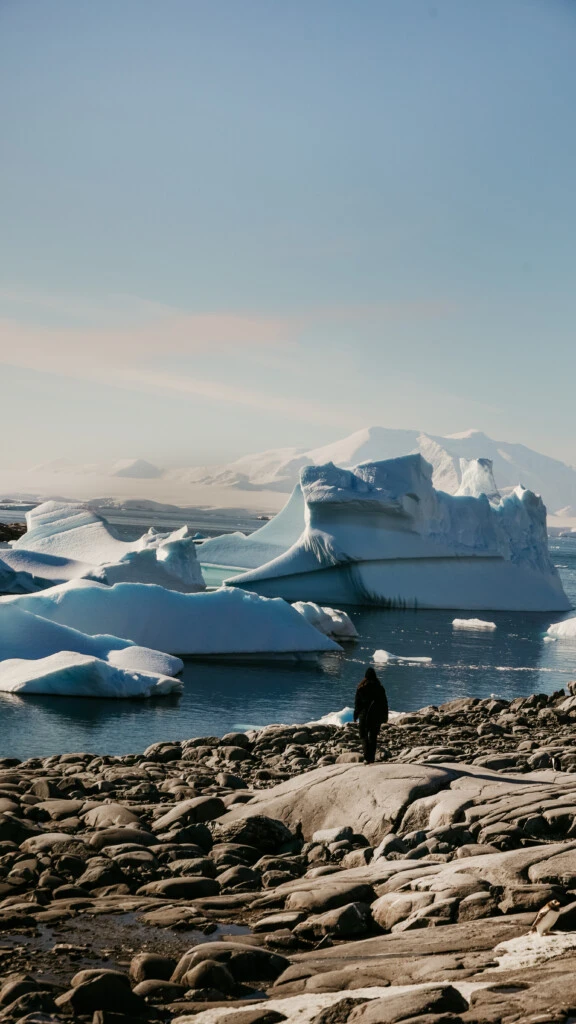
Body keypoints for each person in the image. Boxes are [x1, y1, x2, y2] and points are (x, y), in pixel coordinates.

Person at [353, 666, 388, 764]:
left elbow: (357, 704)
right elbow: (384, 703)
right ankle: (371, 758)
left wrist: (355, 715)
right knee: (373, 736)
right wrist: (385, 716)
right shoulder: (380, 687)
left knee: (363, 736)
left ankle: (366, 756)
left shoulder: (361, 687)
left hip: (364, 716)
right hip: (376, 715)